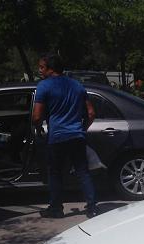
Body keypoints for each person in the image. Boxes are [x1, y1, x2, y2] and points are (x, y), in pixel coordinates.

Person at [32, 53, 98, 218]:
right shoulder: (77, 86)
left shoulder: (44, 86)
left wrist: (38, 128)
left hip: (58, 137)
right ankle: (92, 208)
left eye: (42, 67)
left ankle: (56, 208)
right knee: (83, 172)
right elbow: (91, 113)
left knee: (55, 173)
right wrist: (82, 129)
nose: (39, 70)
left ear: (51, 69)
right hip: (77, 136)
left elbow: (37, 116)